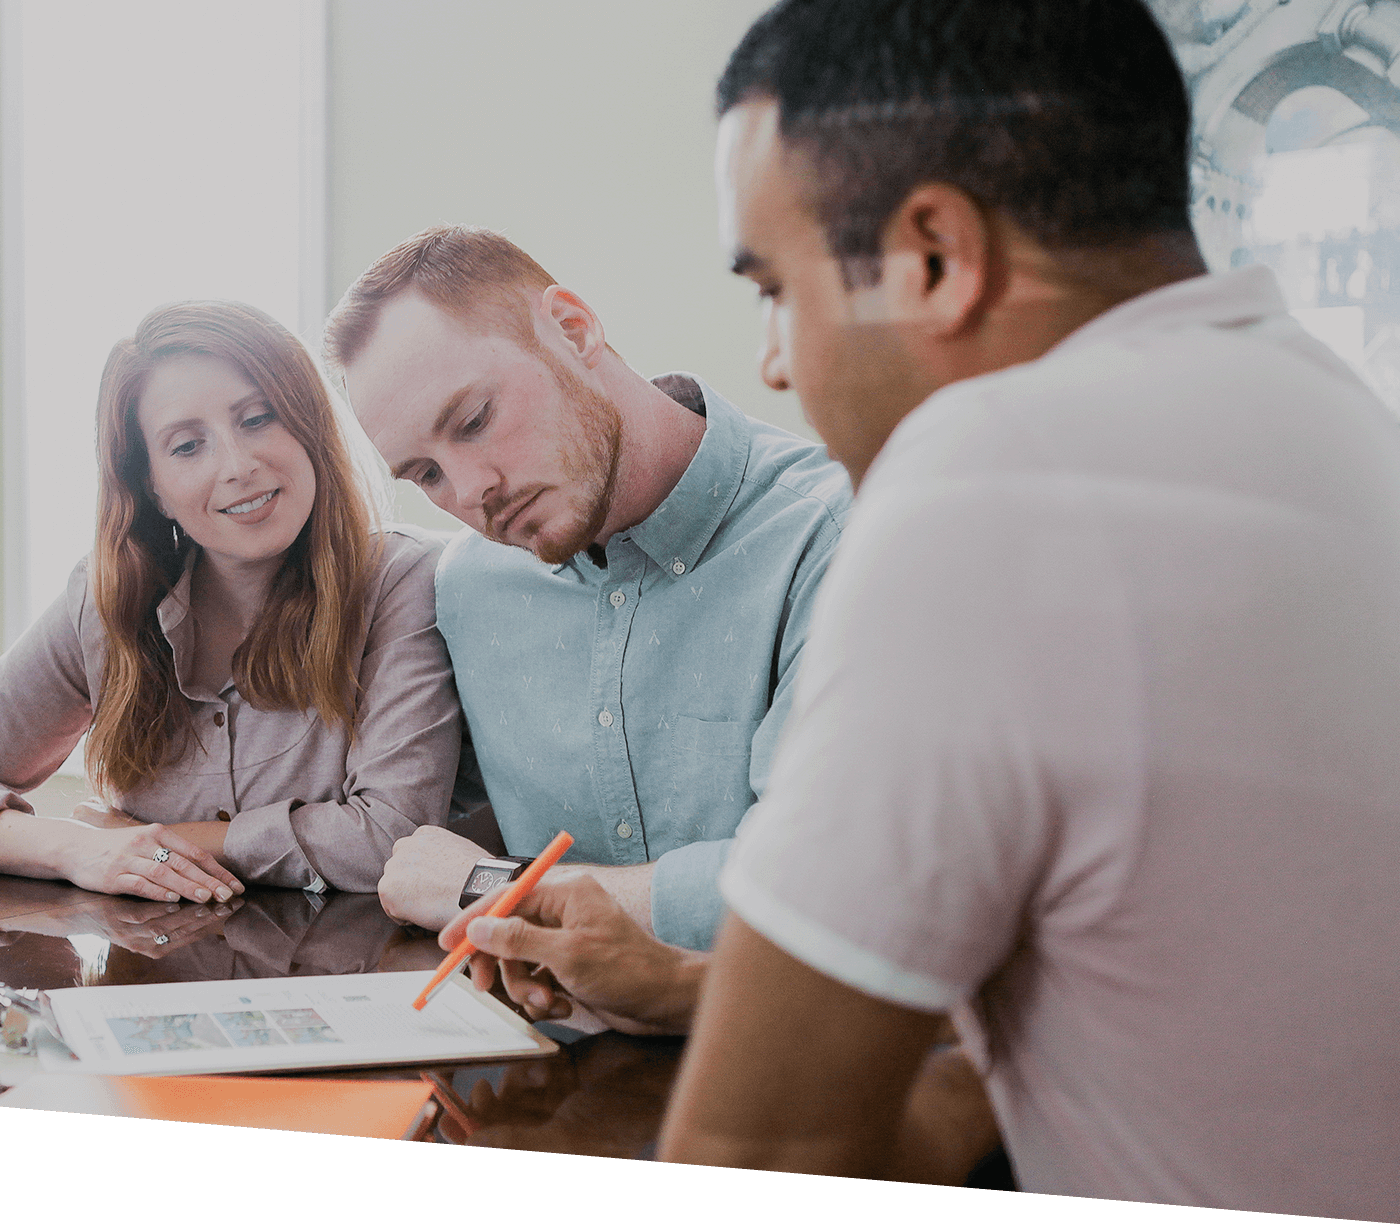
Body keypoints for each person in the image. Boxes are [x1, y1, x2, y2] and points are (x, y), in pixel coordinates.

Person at [450, 0, 1400, 1214]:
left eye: (776, 288)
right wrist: (696, 990)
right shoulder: (1329, 414)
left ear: (935, 258)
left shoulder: (991, 480)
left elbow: (761, 1150)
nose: (776, 365)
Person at [324, 224, 852, 950]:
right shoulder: (468, 588)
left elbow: (823, 886)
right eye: (426, 475)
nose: (472, 492)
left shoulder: (833, 541)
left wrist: (500, 894)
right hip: (539, 1053)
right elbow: (353, 805)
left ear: (573, 330)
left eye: (475, 420)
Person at [0, 301, 463, 902]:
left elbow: (394, 840)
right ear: (151, 487)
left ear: (309, 423)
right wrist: (79, 848)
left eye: (259, 418)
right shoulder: (107, 602)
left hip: (356, 982)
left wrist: (155, 837)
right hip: (152, 973)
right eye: (187, 446)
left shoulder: (401, 581)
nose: (239, 466)